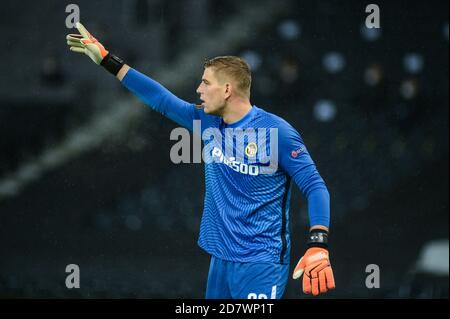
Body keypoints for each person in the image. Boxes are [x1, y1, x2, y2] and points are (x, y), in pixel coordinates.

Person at [66, 22, 335, 299]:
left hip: (260, 263)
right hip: (220, 258)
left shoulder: (277, 132)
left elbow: (315, 186)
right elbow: (161, 99)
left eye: (206, 82)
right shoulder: (206, 121)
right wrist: (108, 61)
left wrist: (318, 244)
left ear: (228, 89)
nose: (198, 89)